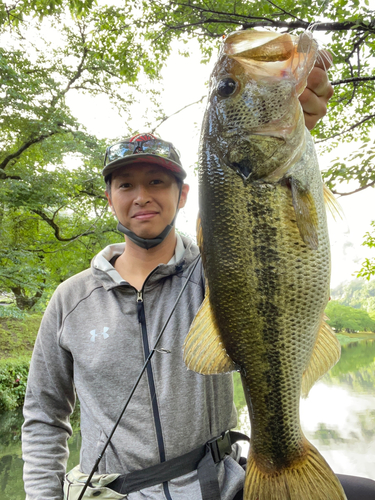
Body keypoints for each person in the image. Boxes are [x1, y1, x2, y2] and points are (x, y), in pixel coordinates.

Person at [22, 64, 375, 500]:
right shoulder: (70, 298)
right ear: (110, 198)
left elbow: (271, 251)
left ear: (183, 195)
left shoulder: (217, 273)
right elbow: (43, 414)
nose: (142, 196)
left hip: (222, 487)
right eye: (125, 184)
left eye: (157, 181)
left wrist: (295, 119)